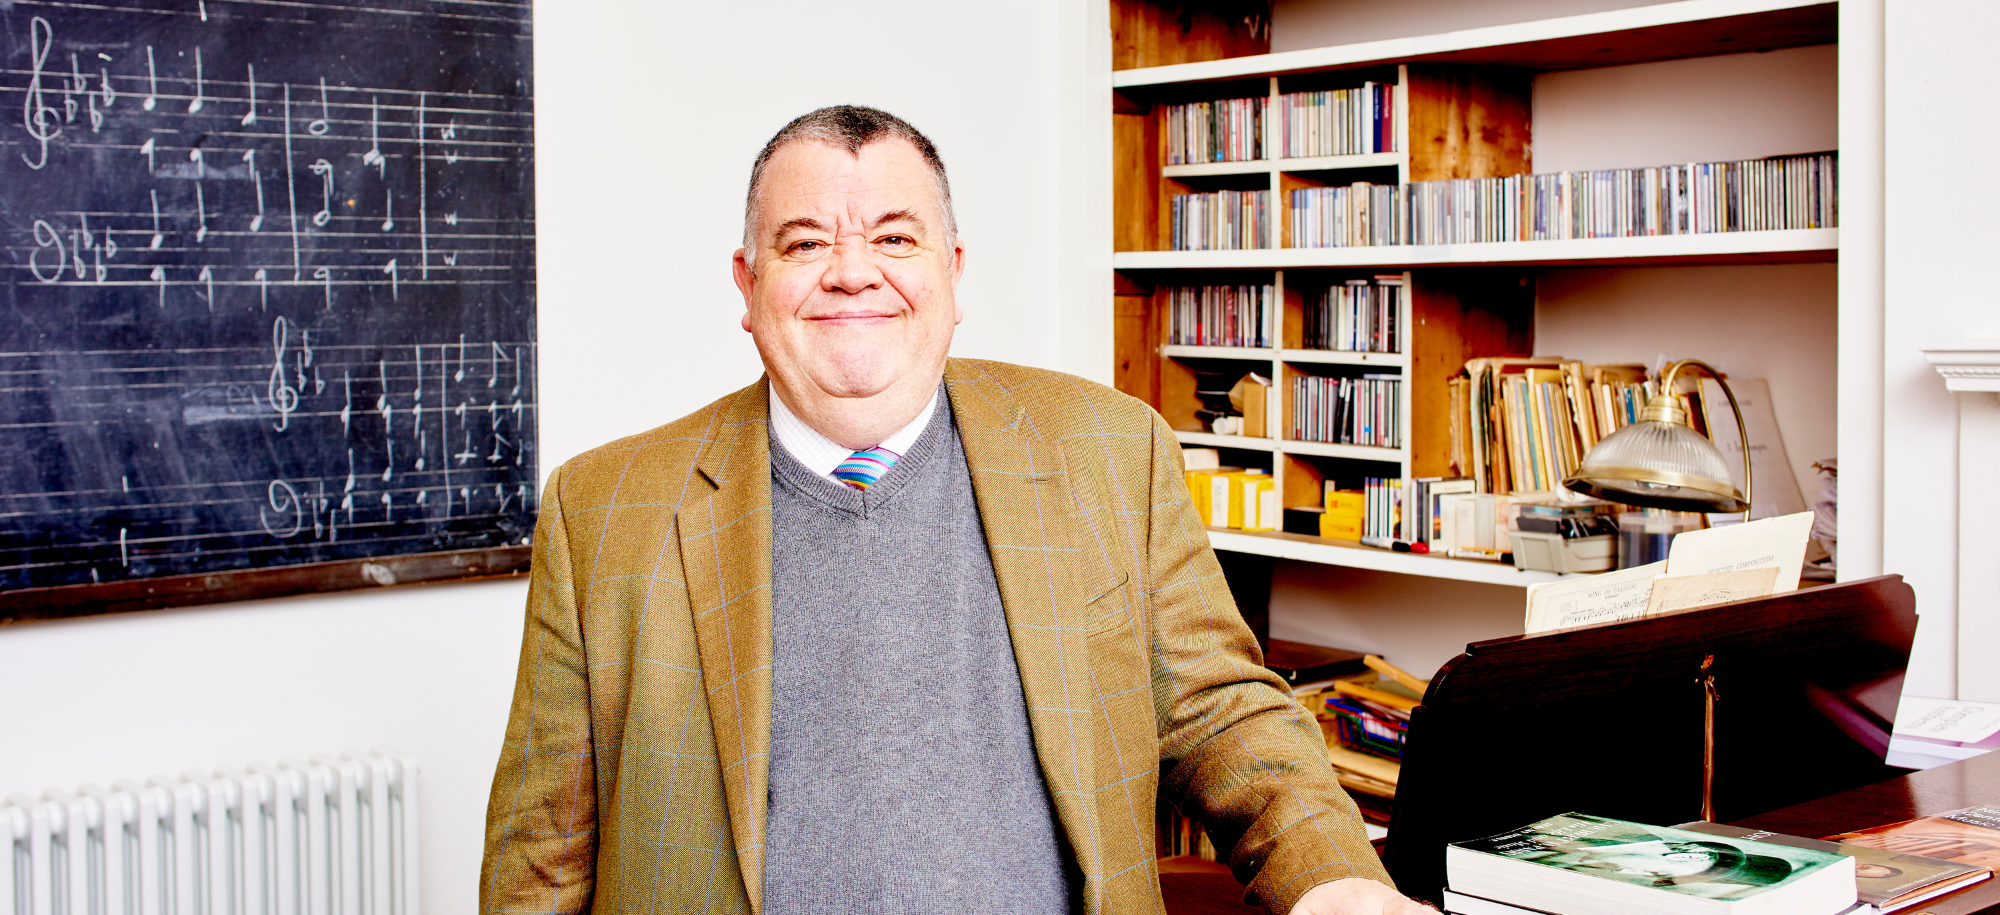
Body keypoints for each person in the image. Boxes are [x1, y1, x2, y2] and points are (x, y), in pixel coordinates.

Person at [479, 104, 1430, 915]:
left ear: (954, 271)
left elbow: (1224, 716)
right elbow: (541, 855)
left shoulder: (1107, 450)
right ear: (747, 283)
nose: (853, 272)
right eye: (806, 243)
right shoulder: (603, 510)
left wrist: (1335, 884)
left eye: (896, 237)